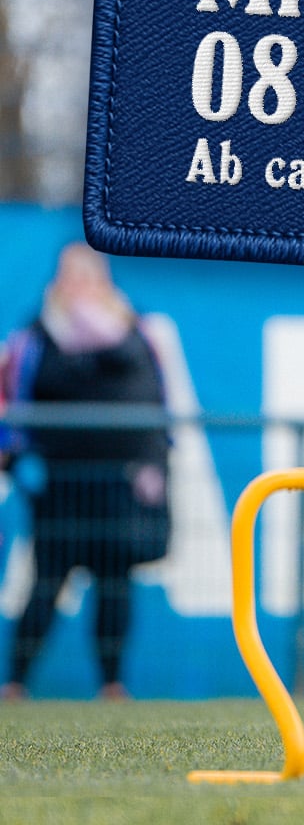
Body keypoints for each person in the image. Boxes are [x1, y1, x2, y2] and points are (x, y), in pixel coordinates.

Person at [0, 244, 169, 700]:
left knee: (115, 585)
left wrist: (153, 465)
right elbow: (13, 402)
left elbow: (156, 403)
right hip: (58, 484)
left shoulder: (134, 334)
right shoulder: (34, 337)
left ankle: (112, 684)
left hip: (118, 486)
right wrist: (19, 459)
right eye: (69, 276)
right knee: (46, 584)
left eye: (87, 276)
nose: (78, 286)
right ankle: (16, 683)